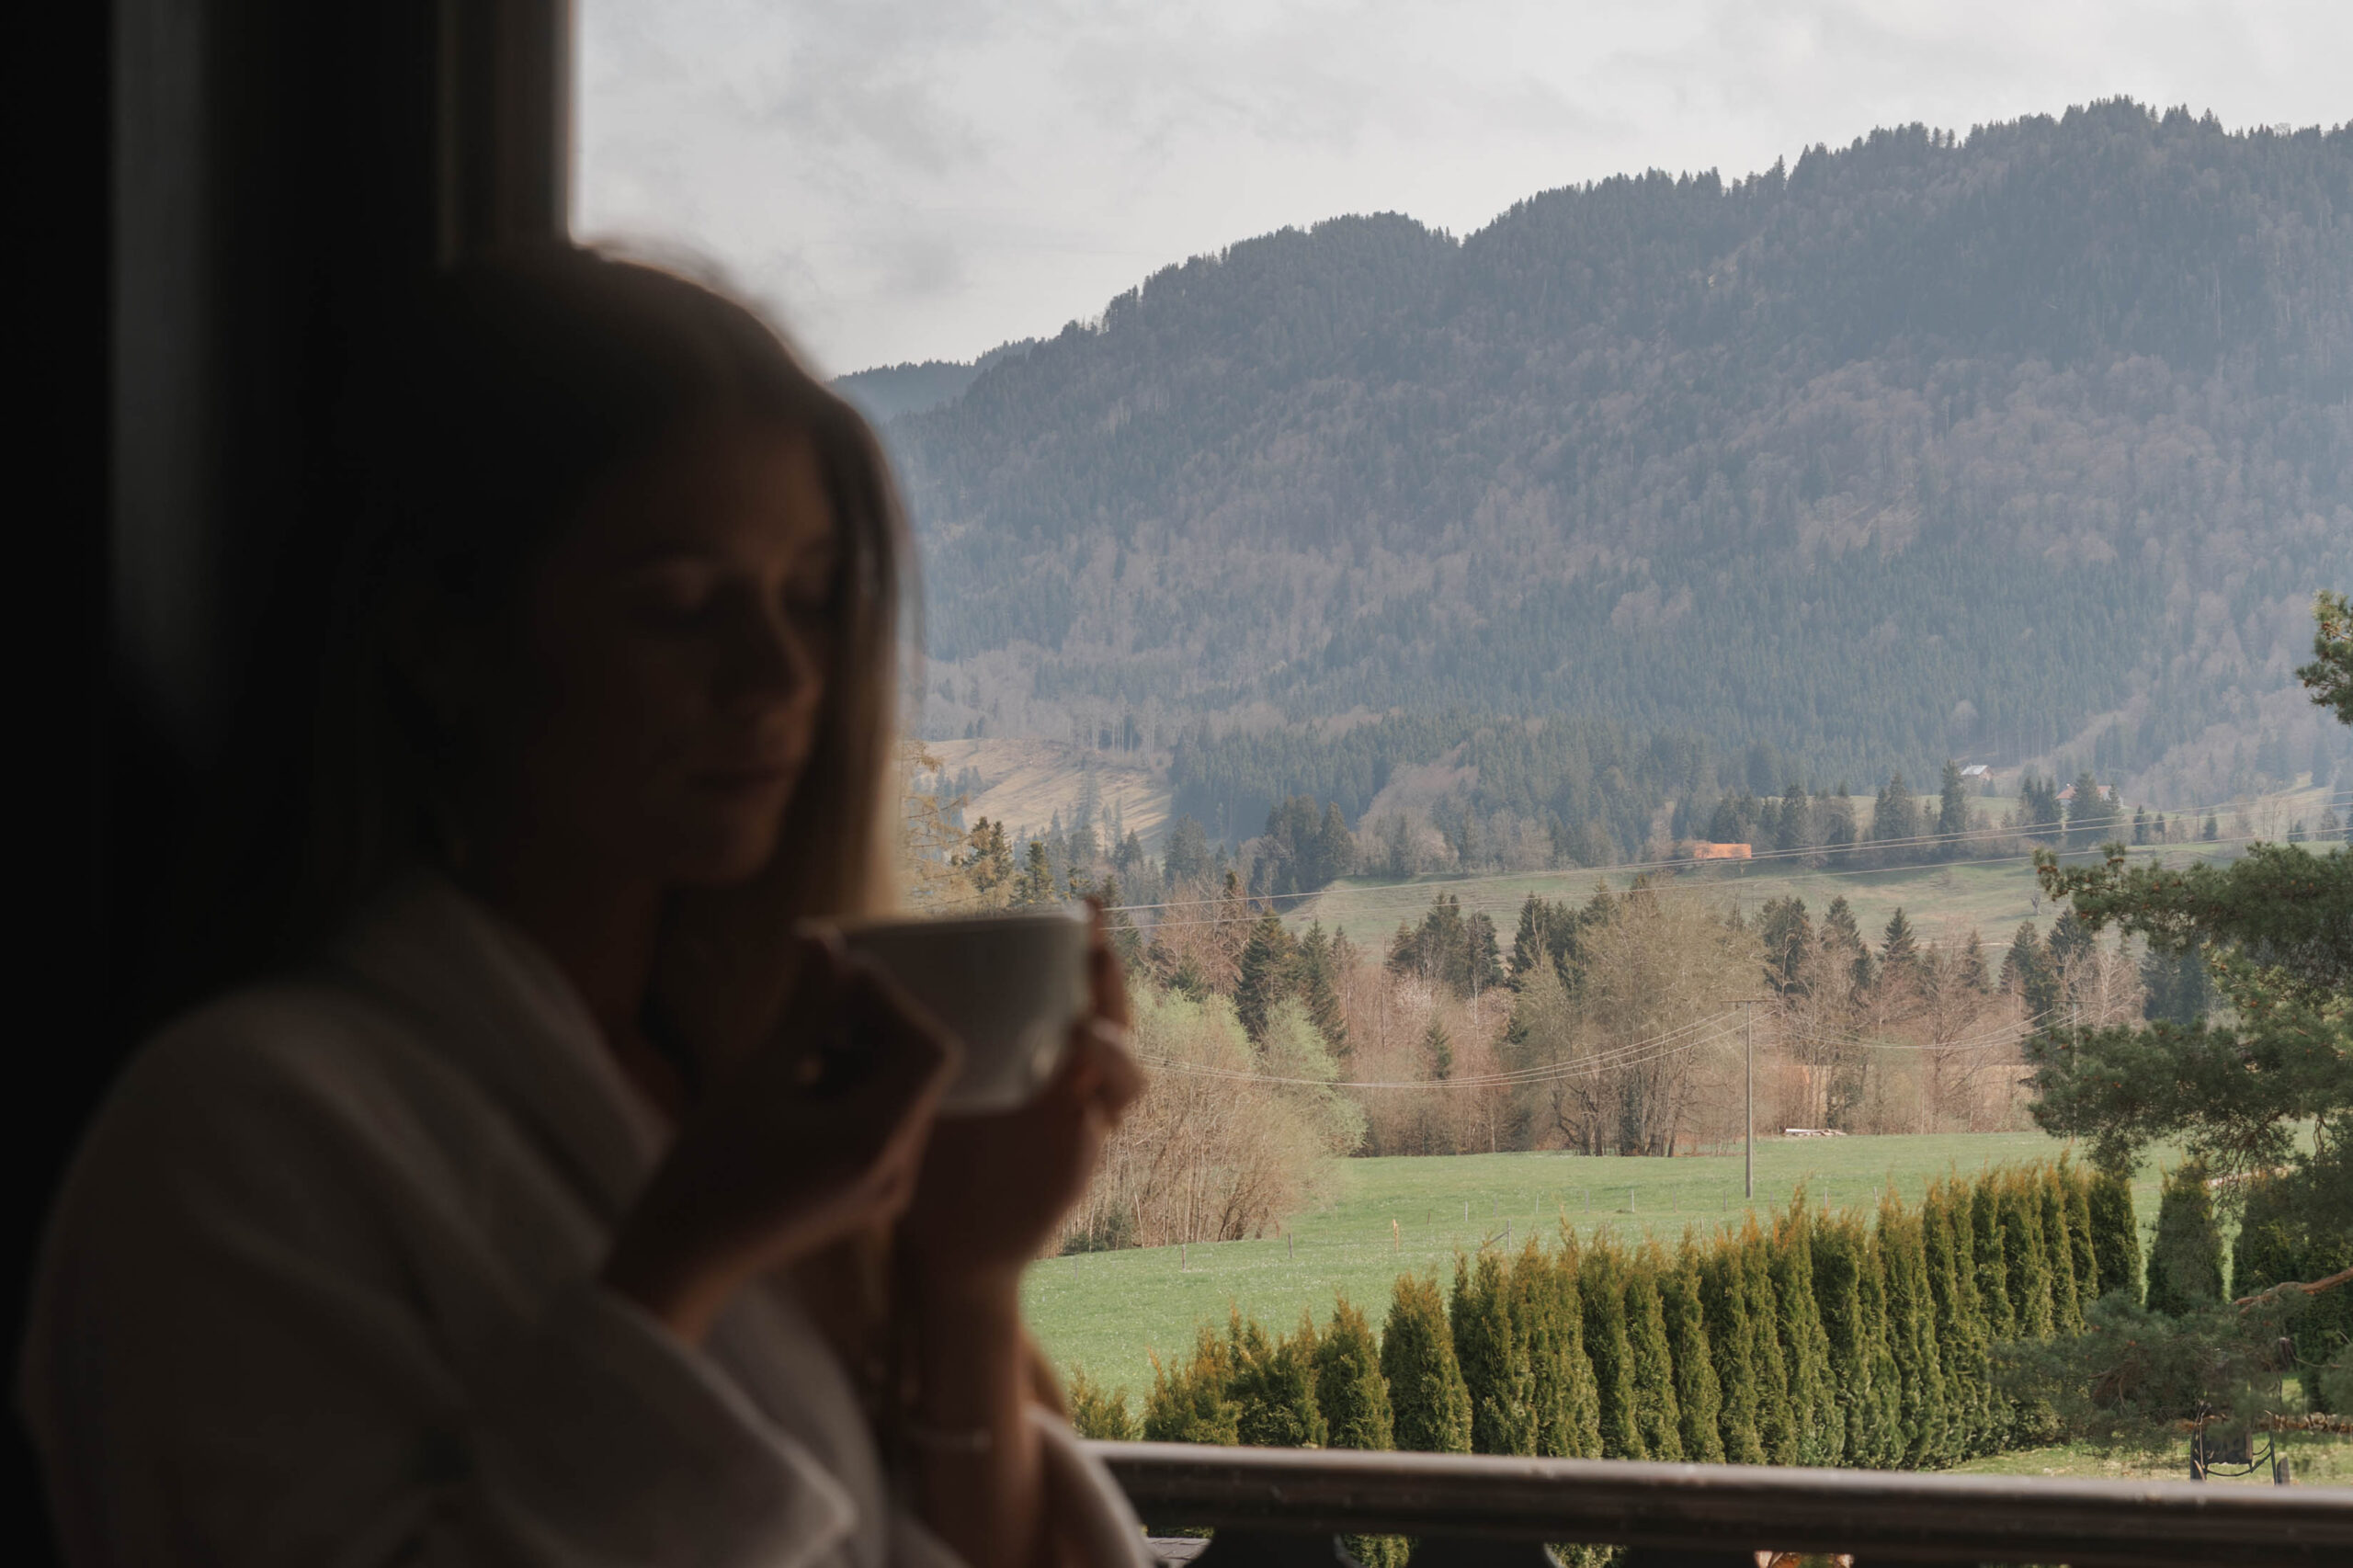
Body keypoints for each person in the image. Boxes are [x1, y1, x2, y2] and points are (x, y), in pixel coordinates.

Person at [21, 248, 1151, 1568]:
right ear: (443, 638)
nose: (779, 674)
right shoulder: (234, 1137)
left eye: (809, 600)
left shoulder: (750, 1091)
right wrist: (679, 1257)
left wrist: (964, 1279)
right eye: (682, 606)